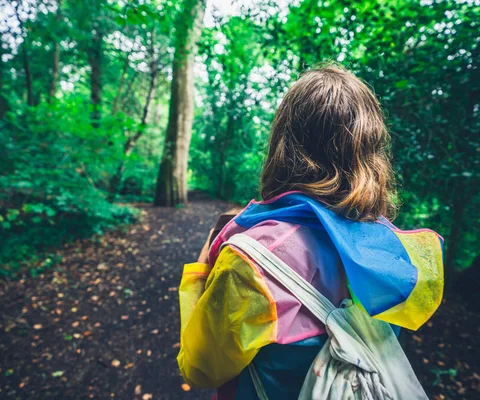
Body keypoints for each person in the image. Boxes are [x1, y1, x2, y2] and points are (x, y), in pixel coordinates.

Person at [177, 65, 444, 399]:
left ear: (283, 144)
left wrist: (201, 269)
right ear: (370, 151)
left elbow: (202, 367)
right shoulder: (396, 252)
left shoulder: (253, 259)